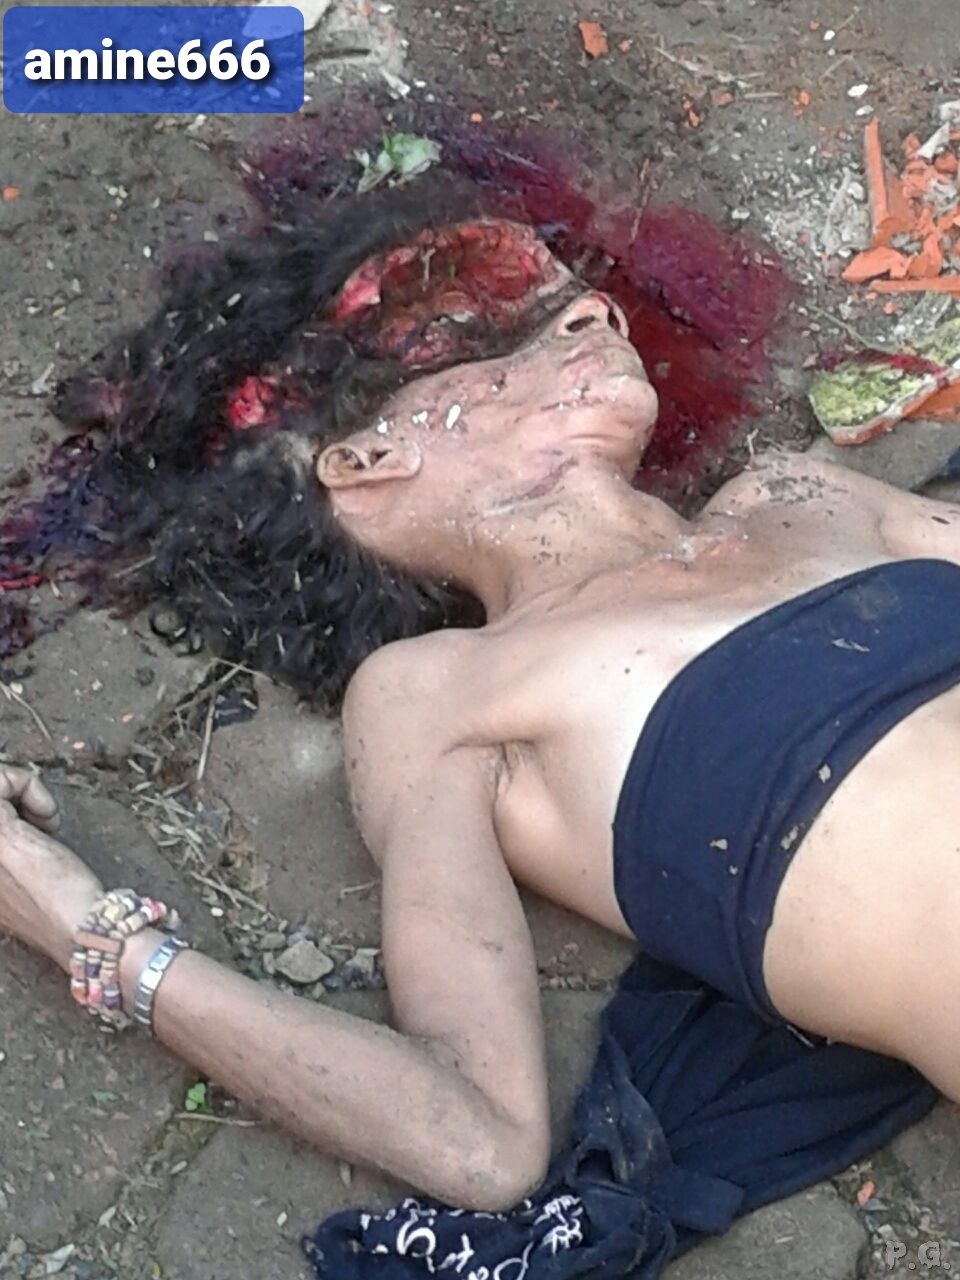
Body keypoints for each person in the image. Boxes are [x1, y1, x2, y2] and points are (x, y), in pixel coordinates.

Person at [2, 209, 960, 1222]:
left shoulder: (802, 496)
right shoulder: (445, 692)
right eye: (489, 336)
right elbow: (479, 1138)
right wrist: (85, 932)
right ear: (364, 460)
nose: (592, 311)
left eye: (572, 302)